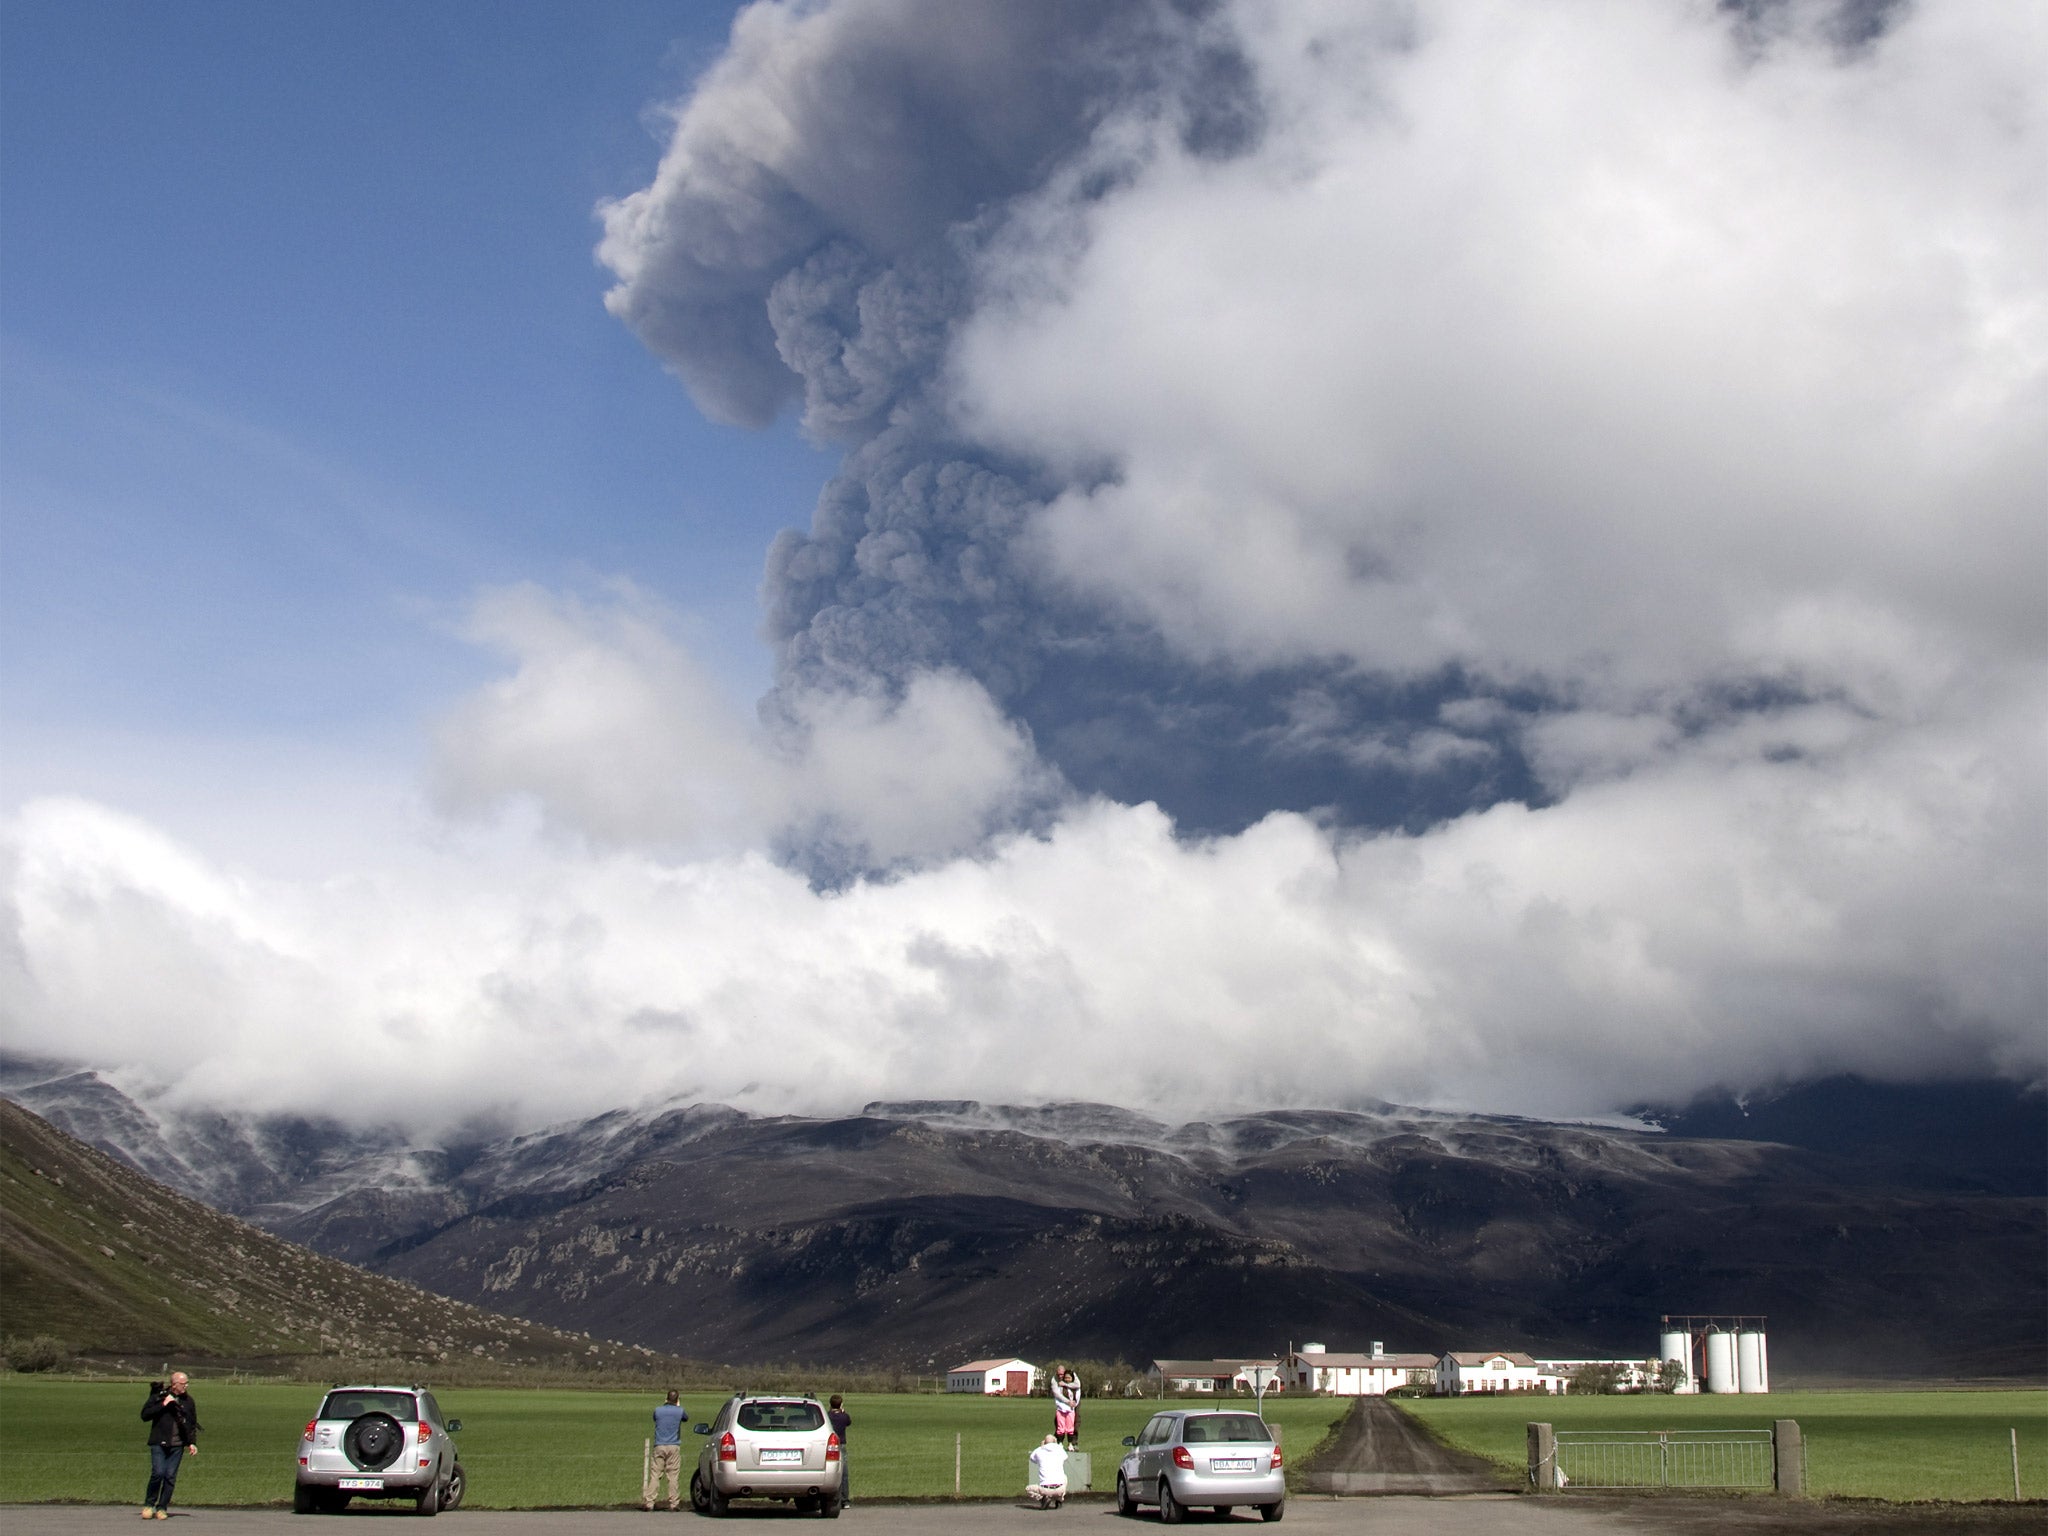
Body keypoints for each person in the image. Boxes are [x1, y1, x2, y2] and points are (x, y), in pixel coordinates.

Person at [140, 1371, 200, 1519]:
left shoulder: (188, 1401)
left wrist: (191, 1443)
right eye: (183, 1383)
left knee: (170, 1476)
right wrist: (164, 1404)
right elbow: (145, 1415)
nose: (186, 1385)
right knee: (158, 1473)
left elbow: (191, 1423)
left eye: (187, 1383)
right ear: (174, 1384)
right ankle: (149, 1504)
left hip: (177, 1444)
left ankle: (162, 1507)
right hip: (159, 1442)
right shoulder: (159, 1396)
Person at [643, 1389, 688, 1511]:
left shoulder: (658, 1410)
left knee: (655, 1475)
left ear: (666, 1398)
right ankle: (673, 1503)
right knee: (673, 1476)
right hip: (673, 1445)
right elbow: (685, 1418)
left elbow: (655, 1418)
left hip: (659, 1445)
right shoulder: (680, 1411)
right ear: (677, 1399)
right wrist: (678, 1406)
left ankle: (649, 1502)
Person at [1025, 1433, 1068, 1508]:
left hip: (1045, 1490)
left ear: (1044, 1442)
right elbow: (1065, 1457)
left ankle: (1043, 1499)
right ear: (1054, 1441)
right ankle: (1060, 1499)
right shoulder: (1060, 1449)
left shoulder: (1039, 1450)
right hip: (1060, 1489)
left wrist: (1041, 1446)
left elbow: (1032, 1458)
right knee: (1065, 1477)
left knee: (1028, 1489)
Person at [826, 1393, 852, 1506]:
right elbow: (848, 1422)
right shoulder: (844, 1417)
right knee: (844, 1474)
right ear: (841, 1404)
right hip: (841, 1444)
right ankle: (844, 1499)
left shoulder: (827, 1416)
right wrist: (843, 1411)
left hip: (829, 1445)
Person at [1050, 1366, 1081, 1448]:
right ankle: (1058, 1442)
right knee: (1059, 1424)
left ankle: (1073, 1443)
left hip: (1074, 1402)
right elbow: (1057, 1394)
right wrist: (1068, 1402)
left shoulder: (1072, 1374)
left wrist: (1065, 1384)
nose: (1060, 1376)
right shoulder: (1054, 1380)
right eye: (1059, 1374)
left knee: (1075, 1422)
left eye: (1062, 1374)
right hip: (1062, 1403)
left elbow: (1078, 1385)